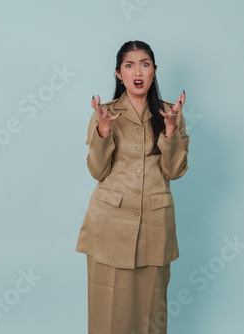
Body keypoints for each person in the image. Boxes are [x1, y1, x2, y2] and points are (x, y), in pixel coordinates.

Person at [76, 40, 189, 334]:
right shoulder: (106, 113)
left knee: (151, 312)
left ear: (154, 71)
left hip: (155, 226)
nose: (137, 71)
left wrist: (171, 130)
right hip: (110, 226)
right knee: (108, 311)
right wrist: (103, 131)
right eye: (129, 65)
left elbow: (174, 171)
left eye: (144, 64)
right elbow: (97, 170)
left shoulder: (169, 114)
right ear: (118, 74)